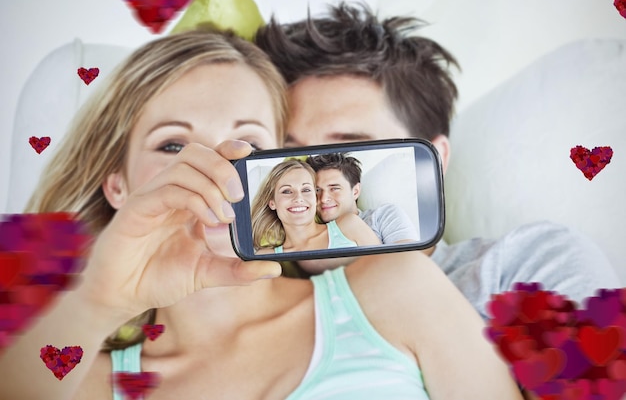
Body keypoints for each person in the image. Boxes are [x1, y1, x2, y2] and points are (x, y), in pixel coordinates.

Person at [0, 29, 524, 400]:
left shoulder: (397, 289)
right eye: (174, 144)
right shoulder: (80, 379)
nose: (214, 167)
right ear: (117, 185)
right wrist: (99, 300)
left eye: (248, 142)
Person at [254, 3, 620, 320]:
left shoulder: (533, 264)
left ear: (434, 160)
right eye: (292, 153)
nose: (314, 185)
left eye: (351, 147)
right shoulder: (252, 303)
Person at [251, 158, 380, 254]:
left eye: (306, 190)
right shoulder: (266, 254)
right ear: (272, 202)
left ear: (315, 197)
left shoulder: (350, 225)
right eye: (287, 191)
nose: (298, 198)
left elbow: (387, 268)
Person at [306, 152, 419, 246]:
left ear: (355, 191)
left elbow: (408, 262)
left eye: (334, 188)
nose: (324, 198)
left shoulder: (383, 216)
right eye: (317, 190)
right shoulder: (310, 232)